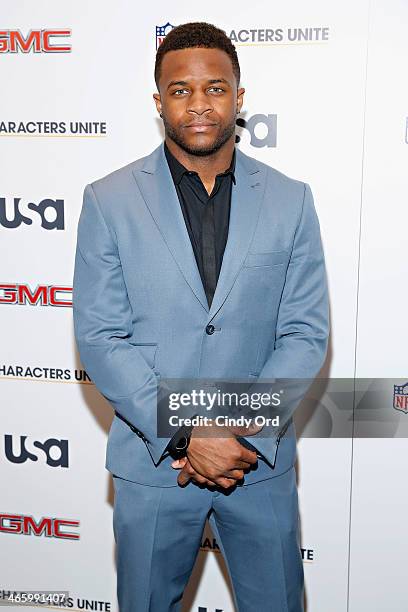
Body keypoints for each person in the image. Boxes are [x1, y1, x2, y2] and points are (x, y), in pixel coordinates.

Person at [73, 21, 329, 612]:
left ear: (239, 98)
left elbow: (304, 333)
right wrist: (191, 433)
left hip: (255, 460)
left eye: (215, 88)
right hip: (154, 462)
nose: (199, 105)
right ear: (158, 101)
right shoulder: (108, 200)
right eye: (180, 90)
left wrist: (229, 433)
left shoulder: (292, 200)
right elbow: (102, 337)